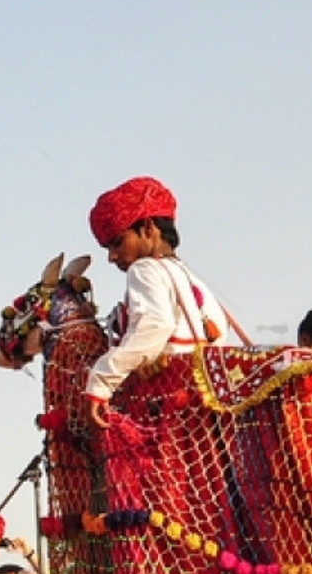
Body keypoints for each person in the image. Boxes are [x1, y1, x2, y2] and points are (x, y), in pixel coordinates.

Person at [82, 177, 242, 426]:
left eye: (117, 242)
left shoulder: (144, 269)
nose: (112, 257)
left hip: (168, 413)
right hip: (206, 416)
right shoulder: (189, 278)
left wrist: (101, 381)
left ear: (148, 228)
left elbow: (155, 325)